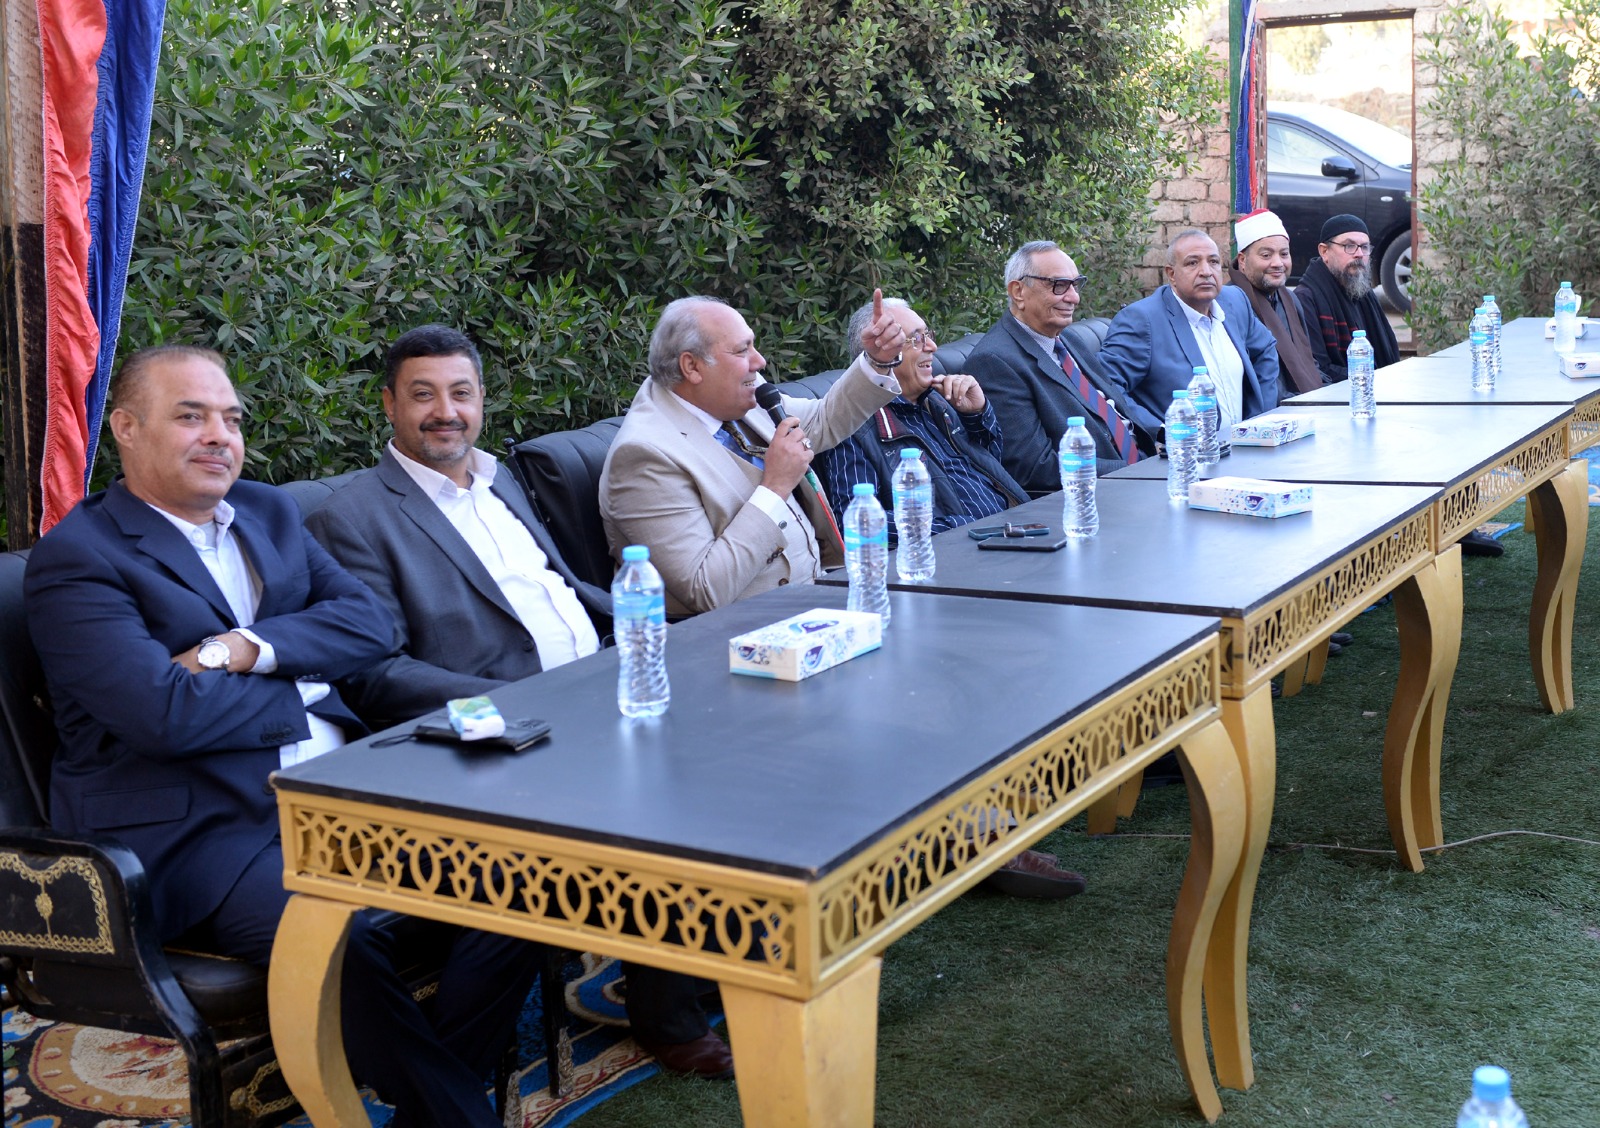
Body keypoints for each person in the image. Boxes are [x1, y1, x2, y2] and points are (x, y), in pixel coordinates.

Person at [25, 345, 541, 1128]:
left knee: (523, 874)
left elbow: (370, 624)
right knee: (338, 935)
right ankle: (457, 1114)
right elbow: (162, 714)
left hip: (342, 794)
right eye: (190, 416)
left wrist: (242, 650)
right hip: (205, 830)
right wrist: (303, 678)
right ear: (126, 428)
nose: (219, 436)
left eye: (230, 419)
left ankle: (433, 1107)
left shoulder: (266, 512)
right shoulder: (79, 560)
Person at [304, 324, 736, 1079]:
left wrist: (653, 629)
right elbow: (374, 674)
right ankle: (662, 1017)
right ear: (389, 406)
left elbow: (559, 587)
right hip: (499, 734)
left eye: (460, 393)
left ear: (481, 401)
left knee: (735, 734)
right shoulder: (352, 517)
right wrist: (532, 700)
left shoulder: (498, 480)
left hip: (595, 690)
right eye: (423, 395)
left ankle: (706, 966)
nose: (446, 412)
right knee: (654, 790)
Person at [599, 292, 904, 616]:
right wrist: (775, 486)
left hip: (815, 600)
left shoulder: (731, 395)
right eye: (742, 350)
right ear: (692, 366)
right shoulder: (643, 456)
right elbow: (704, 589)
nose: (759, 362)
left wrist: (877, 361)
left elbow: (820, 421)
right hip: (739, 631)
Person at [813, 297, 1028, 539]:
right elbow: (859, 523)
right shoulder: (852, 425)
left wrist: (977, 414)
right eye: (915, 339)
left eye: (928, 335)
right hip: (960, 551)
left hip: (1014, 530)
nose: (932, 346)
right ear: (877, 354)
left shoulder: (938, 400)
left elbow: (992, 473)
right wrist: (963, 527)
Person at [964, 240, 1138, 497]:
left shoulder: (1067, 339)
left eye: (1075, 285)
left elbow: (1115, 414)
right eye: (1059, 285)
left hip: (1140, 473)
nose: (1074, 297)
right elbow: (1035, 467)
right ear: (1018, 292)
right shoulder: (995, 361)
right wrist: (1134, 472)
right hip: (1096, 494)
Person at [1099, 228, 1282, 440]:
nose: (1206, 271)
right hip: (1183, 452)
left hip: (1245, 446)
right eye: (1192, 263)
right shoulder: (1142, 320)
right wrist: (1159, 432)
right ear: (1171, 274)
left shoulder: (1234, 301)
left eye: (1213, 262)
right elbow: (1105, 385)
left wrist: (1258, 419)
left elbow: (1265, 350)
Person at [1228, 208, 1326, 396]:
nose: (1278, 263)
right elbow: (1249, 379)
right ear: (1242, 260)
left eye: (1284, 254)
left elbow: (1309, 362)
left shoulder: (1290, 299)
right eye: (1266, 255)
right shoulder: (1231, 304)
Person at [1293, 213, 1401, 382]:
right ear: (1324, 251)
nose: (1359, 254)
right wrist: (1371, 377)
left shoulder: (1364, 294)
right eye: (1349, 246)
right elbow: (1317, 369)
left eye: (1364, 247)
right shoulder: (1306, 299)